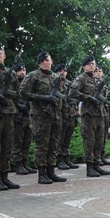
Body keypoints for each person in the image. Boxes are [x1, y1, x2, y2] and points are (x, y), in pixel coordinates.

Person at [21, 51, 67, 184]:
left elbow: (62, 96)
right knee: (42, 145)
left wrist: (63, 114)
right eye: (43, 61)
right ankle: (42, 173)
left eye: (48, 60)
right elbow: (23, 93)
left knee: (54, 144)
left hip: (55, 115)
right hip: (40, 116)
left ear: (52, 61)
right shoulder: (33, 76)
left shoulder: (55, 77)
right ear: (39, 63)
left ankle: (51, 171)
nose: (46, 63)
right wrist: (43, 97)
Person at [69, 56, 110, 177]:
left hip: (100, 114)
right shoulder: (81, 78)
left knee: (99, 141)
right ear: (84, 67)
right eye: (89, 64)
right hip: (88, 115)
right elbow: (72, 92)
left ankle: (97, 164)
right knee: (89, 142)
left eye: (93, 64)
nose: (92, 66)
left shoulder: (97, 80)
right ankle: (90, 167)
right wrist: (88, 98)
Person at [0, 43, 20, 191]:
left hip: (9, 113)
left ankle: (5, 176)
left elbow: (18, 93)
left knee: (7, 146)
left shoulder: (11, 73)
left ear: (5, 56)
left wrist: (12, 104)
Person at [11, 63, 35, 175]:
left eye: (24, 70)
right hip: (17, 116)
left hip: (28, 117)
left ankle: (25, 163)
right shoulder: (12, 84)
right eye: (20, 70)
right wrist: (19, 108)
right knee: (17, 142)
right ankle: (18, 165)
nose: (22, 72)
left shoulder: (27, 85)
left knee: (27, 141)